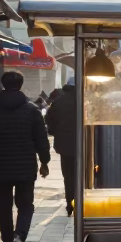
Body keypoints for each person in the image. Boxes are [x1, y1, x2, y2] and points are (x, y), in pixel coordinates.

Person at [0, 71, 51, 242]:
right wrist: (44, 161)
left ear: (3, 84)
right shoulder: (32, 110)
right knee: (25, 204)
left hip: (1, 166)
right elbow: (41, 139)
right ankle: (20, 235)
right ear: (21, 84)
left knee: (4, 205)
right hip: (26, 166)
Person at [45, 76, 78, 216]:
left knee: (68, 176)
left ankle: (70, 203)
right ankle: (81, 202)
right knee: (82, 175)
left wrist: (56, 132)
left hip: (64, 146)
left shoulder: (58, 102)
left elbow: (49, 121)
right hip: (84, 146)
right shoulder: (85, 100)